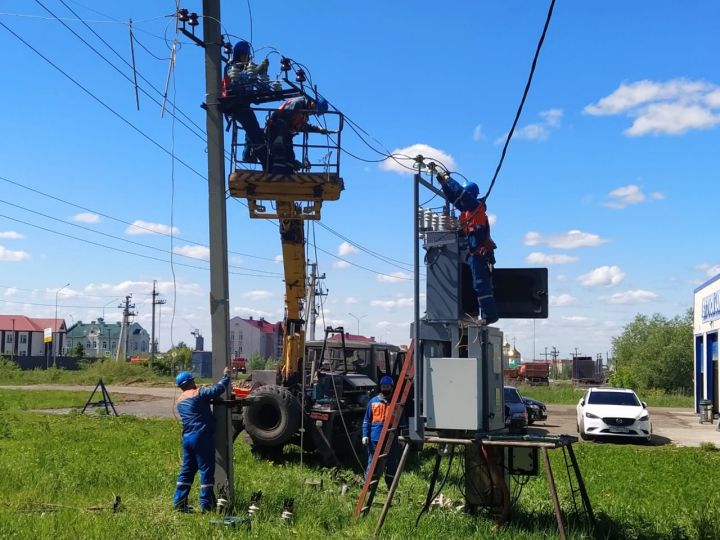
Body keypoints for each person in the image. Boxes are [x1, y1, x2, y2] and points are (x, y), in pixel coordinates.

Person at [437, 170, 499, 325]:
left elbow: (460, 194)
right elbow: (454, 198)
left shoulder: (475, 206)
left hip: (479, 252)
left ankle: (489, 315)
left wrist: (448, 178)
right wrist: (444, 184)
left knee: (481, 284)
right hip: (474, 253)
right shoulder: (468, 210)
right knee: (476, 284)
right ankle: (483, 314)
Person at [173, 367, 231, 512]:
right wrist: (226, 377)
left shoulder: (180, 400)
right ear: (191, 382)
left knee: (186, 471)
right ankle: (207, 505)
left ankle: (179, 503)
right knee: (206, 470)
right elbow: (216, 390)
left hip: (187, 439)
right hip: (201, 437)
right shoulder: (197, 393)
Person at [221, 40, 269, 166]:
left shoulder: (244, 69)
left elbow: (249, 83)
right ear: (242, 55)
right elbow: (239, 79)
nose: (247, 58)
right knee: (254, 132)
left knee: (254, 129)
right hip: (235, 104)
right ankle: (265, 162)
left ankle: (249, 154)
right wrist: (257, 70)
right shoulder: (232, 67)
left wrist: (261, 74)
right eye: (246, 55)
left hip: (242, 104)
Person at [265, 95, 329, 174]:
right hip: (275, 131)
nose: (313, 112)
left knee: (290, 159)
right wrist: (279, 137)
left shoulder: (304, 109)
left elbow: (300, 125)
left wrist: (318, 129)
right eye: (315, 109)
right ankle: (277, 178)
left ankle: (289, 172)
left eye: (316, 112)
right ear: (313, 102)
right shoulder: (297, 103)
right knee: (279, 157)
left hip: (286, 134)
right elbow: (281, 119)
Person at [362, 375, 399, 489]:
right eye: (383, 386)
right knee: (373, 462)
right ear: (380, 387)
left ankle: (390, 486)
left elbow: (401, 421)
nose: (385, 388)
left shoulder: (396, 404)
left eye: (388, 386)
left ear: (392, 387)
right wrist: (364, 435)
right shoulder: (373, 402)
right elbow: (367, 420)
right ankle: (368, 486)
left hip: (391, 438)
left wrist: (401, 437)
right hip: (375, 438)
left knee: (392, 462)